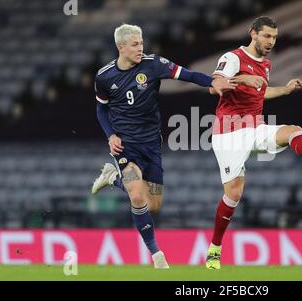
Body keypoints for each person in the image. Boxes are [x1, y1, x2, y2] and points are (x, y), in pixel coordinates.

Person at [91, 24, 235, 269]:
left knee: (153, 204)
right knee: (137, 195)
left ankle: (113, 178)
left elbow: (187, 74)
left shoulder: (153, 64)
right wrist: (110, 135)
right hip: (125, 145)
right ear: (120, 47)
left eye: (141, 42)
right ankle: (157, 255)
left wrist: (213, 82)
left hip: (151, 143)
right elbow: (101, 109)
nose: (141, 48)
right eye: (135, 44)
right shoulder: (104, 77)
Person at [205, 16, 302, 270]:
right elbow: (214, 86)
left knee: (293, 130)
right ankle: (215, 248)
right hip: (228, 132)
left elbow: (260, 91)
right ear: (252, 33)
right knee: (234, 194)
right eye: (266, 36)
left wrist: (284, 90)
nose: (270, 41)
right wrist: (243, 79)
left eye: (274, 37)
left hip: (255, 127)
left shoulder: (265, 64)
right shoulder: (233, 58)